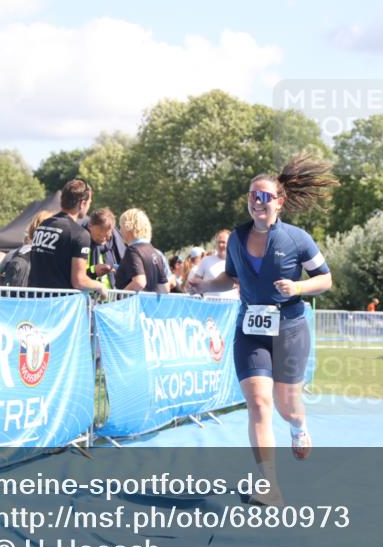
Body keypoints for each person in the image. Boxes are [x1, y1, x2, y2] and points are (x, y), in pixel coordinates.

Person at [190, 153, 337, 498]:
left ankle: (299, 427)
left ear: (280, 203)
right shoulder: (238, 239)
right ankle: (268, 484)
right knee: (258, 402)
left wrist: (299, 287)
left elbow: (326, 280)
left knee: (287, 406)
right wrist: (206, 286)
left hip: (289, 328)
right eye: (253, 197)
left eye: (265, 196)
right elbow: (232, 278)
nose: (258, 202)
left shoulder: (298, 239)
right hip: (251, 329)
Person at [28, 179, 107, 296]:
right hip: (60, 306)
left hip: (36, 302)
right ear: (82, 203)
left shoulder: (43, 225)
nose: (89, 206)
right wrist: (100, 286)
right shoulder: (80, 234)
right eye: (89, 202)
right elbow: (79, 281)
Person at [115, 208, 170, 293]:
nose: (120, 231)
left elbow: (139, 282)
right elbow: (164, 288)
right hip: (148, 305)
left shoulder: (133, 250)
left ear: (128, 227)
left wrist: (121, 297)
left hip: (133, 304)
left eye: (121, 227)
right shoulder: (155, 252)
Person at [191, 229, 239, 299]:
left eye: (223, 242)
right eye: (218, 242)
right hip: (210, 303)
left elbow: (240, 283)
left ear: (230, 243)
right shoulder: (206, 260)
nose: (220, 245)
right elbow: (195, 280)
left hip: (230, 304)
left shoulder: (237, 261)